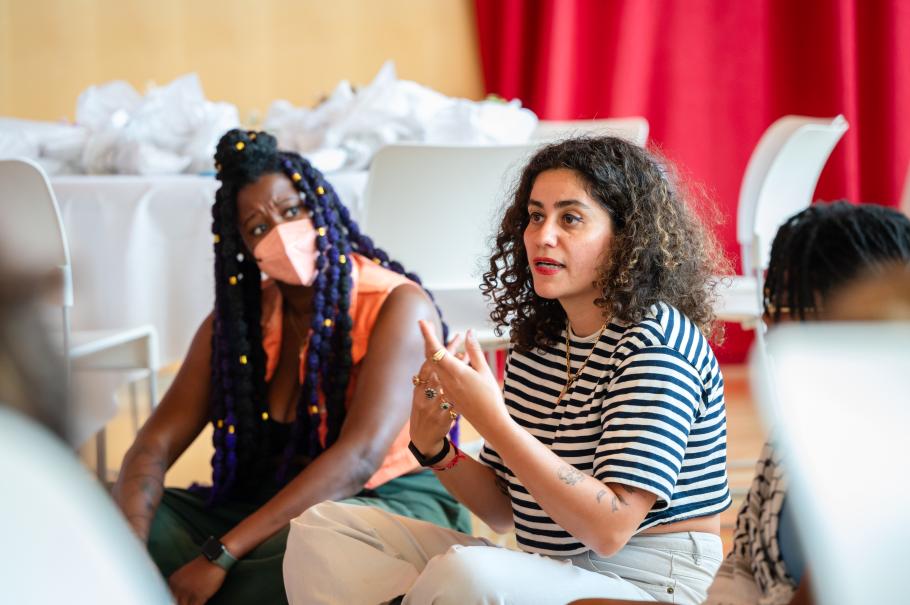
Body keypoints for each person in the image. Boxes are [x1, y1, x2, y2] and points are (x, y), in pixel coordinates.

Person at [283, 136, 733, 604]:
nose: (543, 234)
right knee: (324, 527)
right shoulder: (538, 342)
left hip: (649, 582)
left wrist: (492, 420)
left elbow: (611, 528)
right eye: (536, 215)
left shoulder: (655, 344)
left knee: (469, 575)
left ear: (627, 237)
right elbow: (502, 512)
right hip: (548, 569)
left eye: (570, 218)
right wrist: (435, 448)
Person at [112, 129, 470, 605]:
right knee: (102, 513)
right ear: (241, 246)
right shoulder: (237, 325)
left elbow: (358, 461)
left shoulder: (397, 304)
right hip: (273, 504)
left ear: (319, 209)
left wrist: (220, 555)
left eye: (290, 211)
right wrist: (123, 553)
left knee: (311, 552)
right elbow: (153, 447)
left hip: (390, 501)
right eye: (259, 227)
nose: (280, 233)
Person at [702, 201, 910, 605]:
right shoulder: (803, 426)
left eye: (788, 307)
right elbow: (743, 560)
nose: (769, 326)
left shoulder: (887, 451)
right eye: (770, 306)